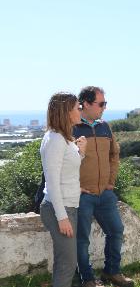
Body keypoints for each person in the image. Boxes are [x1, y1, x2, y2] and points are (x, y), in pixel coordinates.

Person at [74, 86, 134, 287]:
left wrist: (111, 182)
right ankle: (87, 279)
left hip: (105, 193)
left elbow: (114, 155)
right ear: (86, 104)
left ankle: (112, 272)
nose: (104, 108)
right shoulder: (71, 127)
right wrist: (75, 187)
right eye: (101, 104)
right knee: (82, 239)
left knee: (116, 230)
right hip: (82, 194)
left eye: (105, 103)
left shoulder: (105, 126)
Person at [39, 92, 87, 287]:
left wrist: (81, 153)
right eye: (78, 107)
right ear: (67, 111)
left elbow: (66, 171)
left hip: (68, 206)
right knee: (67, 264)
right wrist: (62, 217)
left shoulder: (63, 138)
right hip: (60, 209)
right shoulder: (56, 140)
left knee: (65, 262)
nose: (80, 110)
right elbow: (51, 182)